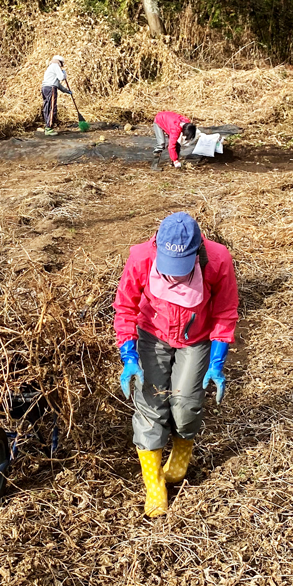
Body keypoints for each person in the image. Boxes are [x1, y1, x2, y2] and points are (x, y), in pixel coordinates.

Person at [113, 212, 238, 517]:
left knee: (185, 403)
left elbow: (225, 312)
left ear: (198, 252)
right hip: (152, 333)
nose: (175, 277)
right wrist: (129, 358)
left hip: (196, 337)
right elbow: (125, 307)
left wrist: (217, 363)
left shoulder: (218, 261)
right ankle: (153, 483)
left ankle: (182, 450)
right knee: (151, 403)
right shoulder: (141, 257)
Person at [41, 55, 72, 136]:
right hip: (51, 88)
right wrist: (64, 73)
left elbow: (57, 84)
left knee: (47, 108)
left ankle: (47, 126)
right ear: (59, 62)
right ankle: (49, 128)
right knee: (52, 108)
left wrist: (66, 91)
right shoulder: (55, 66)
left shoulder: (50, 67)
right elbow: (61, 77)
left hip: (45, 88)